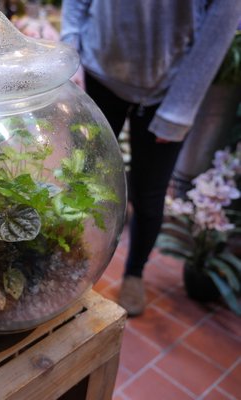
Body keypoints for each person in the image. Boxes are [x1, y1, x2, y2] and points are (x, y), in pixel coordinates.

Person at [60, 0, 241, 316]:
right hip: (96, 72)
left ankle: (134, 273)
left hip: (167, 91)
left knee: (148, 194)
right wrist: (69, 53)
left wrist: (179, 110)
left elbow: (219, 28)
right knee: (81, 176)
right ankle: (65, 256)